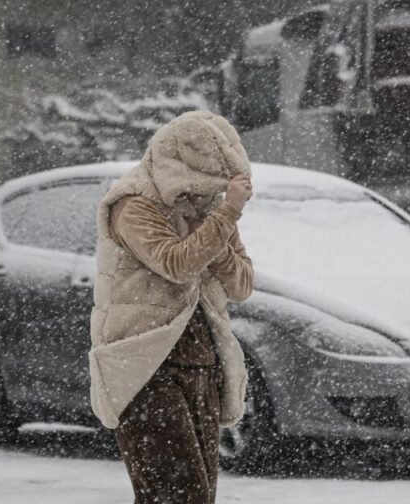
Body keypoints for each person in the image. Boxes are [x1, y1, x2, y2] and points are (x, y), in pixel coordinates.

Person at [89, 111, 254, 504]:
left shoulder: (210, 211)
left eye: (213, 192)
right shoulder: (133, 205)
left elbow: (242, 284)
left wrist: (217, 225)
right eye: (200, 188)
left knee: (194, 496)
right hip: (145, 367)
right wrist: (224, 216)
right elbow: (176, 263)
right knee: (178, 495)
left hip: (202, 363)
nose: (204, 199)